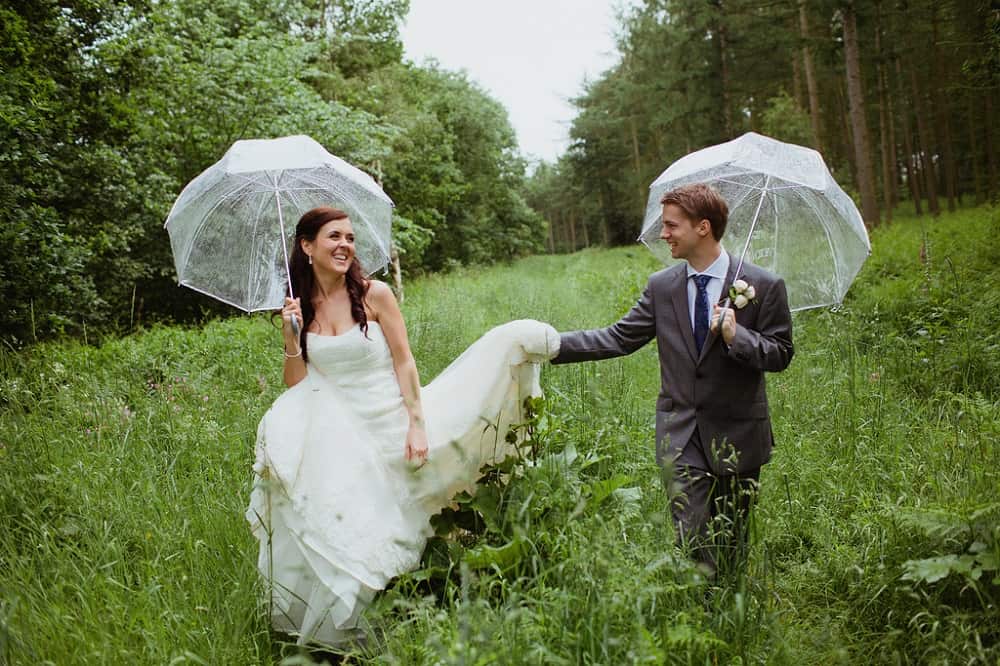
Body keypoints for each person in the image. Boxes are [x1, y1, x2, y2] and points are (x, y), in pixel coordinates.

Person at [245, 206, 559, 646]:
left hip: (388, 415)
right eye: (334, 236)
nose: (345, 245)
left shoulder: (376, 294)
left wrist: (416, 424)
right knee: (325, 506)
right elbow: (296, 384)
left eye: (350, 238)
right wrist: (291, 338)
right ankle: (333, 625)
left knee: (405, 501)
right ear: (306, 245)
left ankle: (424, 590)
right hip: (335, 430)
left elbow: (404, 360)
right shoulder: (298, 306)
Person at [550, 183, 793, 578]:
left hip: (739, 434)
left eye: (671, 226)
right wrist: (549, 345)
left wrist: (738, 336)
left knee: (733, 540)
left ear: (703, 227)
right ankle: (699, 614)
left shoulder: (762, 285)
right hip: (680, 432)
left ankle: (731, 619)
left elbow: (781, 353)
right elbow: (618, 337)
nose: (663, 234)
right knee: (693, 536)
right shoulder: (662, 287)